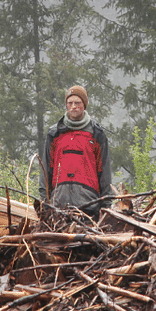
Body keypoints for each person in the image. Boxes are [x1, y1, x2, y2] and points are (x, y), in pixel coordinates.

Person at [39, 85, 112, 214]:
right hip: (59, 205)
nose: (73, 106)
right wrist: (45, 202)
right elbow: (46, 170)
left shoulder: (97, 134)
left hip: (89, 206)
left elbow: (105, 172)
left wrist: (106, 205)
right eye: (70, 103)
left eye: (77, 103)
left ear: (84, 105)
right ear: (66, 105)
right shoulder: (54, 134)